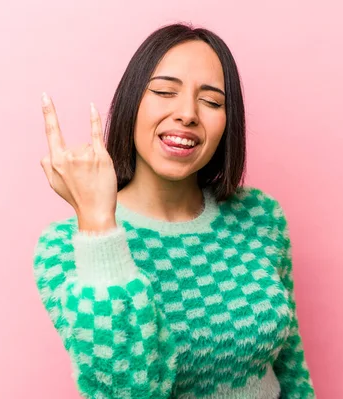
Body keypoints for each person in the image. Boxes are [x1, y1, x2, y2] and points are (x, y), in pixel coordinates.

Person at [33, 23, 316, 399]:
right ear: (132, 102)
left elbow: (290, 368)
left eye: (212, 102)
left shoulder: (259, 218)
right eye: (165, 91)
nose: (187, 114)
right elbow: (129, 389)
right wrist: (99, 225)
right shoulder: (64, 249)